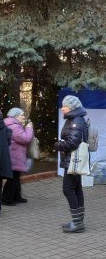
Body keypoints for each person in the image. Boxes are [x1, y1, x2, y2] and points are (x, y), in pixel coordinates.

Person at [55, 95, 88, 233]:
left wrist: (58, 144)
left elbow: (73, 143)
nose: (63, 108)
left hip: (74, 160)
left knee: (68, 189)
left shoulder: (76, 120)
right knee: (76, 188)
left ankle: (77, 223)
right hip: (72, 160)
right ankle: (78, 221)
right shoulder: (73, 119)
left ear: (72, 107)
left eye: (65, 106)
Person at [1, 108, 34, 205]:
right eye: (22, 115)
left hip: (15, 155)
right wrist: (29, 128)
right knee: (13, 178)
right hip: (14, 156)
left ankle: (16, 196)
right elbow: (26, 139)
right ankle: (6, 199)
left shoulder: (13, 125)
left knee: (16, 177)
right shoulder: (14, 127)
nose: (24, 117)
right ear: (15, 116)